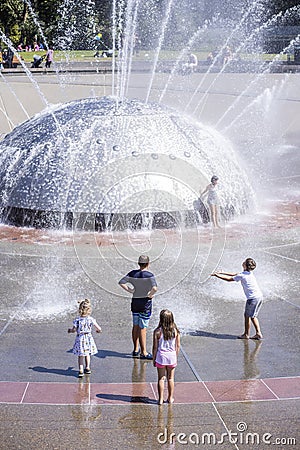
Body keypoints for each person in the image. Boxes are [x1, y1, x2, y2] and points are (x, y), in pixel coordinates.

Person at [211, 258, 263, 340]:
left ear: (245, 266)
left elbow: (229, 279)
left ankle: (246, 334)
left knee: (247, 316)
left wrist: (217, 275)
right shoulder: (248, 273)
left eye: (244, 262)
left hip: (252, 299)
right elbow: (234, 274)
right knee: (253, 316)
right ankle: (258, 333)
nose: (243, 262)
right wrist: (222, 272)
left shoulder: (242, 275)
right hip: (259, 297)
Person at [119, 255, 158, 360]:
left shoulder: (133, 273)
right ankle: (144, 352)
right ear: (148, 264)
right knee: (143, 327)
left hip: (135, 302)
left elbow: (121, 282)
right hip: (145, 304)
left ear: (138, 263)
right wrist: (150, 294)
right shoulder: (149, 275)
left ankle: (136, 349)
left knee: (135, 325)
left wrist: (130, 290)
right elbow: (155, 288)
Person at [152, 310, 180, 405]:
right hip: (172, 356)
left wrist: (154, 358)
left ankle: (160, 399)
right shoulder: (175, 331)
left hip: (161, 357)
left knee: (161, 378)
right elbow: (178, 346)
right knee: (170, 378)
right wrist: (175, 356)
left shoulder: (157, 332)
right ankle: (170, 398)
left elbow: (155, 347)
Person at [68, 299, 102, 377]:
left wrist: (70, 330)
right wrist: (98, 331)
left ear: (80, 310)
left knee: (80, 355)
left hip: (80, 338)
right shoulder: (91, 319)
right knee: (87, 354)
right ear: (89, 310)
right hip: (88, 338)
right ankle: (87, 367)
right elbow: (99, 328)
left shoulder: (77, 320)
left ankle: (80, 370)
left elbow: (74, 330)